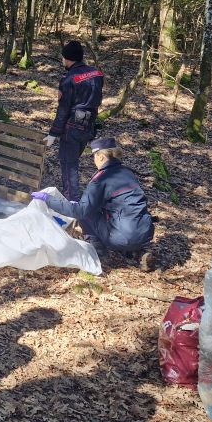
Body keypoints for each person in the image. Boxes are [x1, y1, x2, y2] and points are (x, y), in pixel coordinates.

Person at [32, 137, 154, 258]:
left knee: (85, 214)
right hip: (146, 233)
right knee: (119, 220)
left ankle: (98, 251)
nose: (94, 160)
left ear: (101, 156)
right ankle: (137, 250)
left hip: (122, 236)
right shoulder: (127, 172)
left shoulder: (101, 179)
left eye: (94, 156)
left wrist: (47, 198)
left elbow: (80, 211)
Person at [45, 40, 103, 201]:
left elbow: (63, 109)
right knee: (73, 160)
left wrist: (53, 133)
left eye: (63, 57)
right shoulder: (96, 74)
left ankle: (72, 204)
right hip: (89, 125)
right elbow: (97, 101)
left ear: (68, 58)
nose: (62, 60)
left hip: (72, 126)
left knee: (69, 165)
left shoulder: (69, 79)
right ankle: (73, 200)